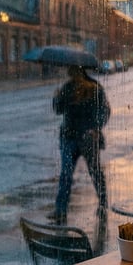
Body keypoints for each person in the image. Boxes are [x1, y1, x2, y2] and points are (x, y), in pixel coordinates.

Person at [49, 65, 110, 225]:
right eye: (70, 72)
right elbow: (58, 110)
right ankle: (60, 210)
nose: (70, 74)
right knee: (66, 174)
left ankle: (103, 205)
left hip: (87, 138)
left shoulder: (94, 88)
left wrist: (95, 128)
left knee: (94, 172)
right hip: (70, 137)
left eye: (73, 71)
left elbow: (104, 111)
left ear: (80, 71)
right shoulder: (68, 87)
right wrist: (56, 97)